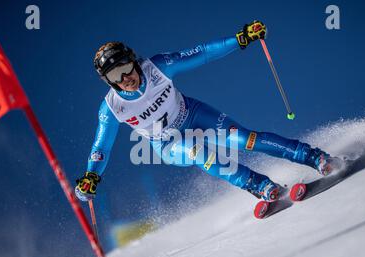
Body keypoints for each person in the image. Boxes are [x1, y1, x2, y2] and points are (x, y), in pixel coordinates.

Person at [75, 20, 341, 206]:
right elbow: (101, 147)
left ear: (133, 60)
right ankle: (260, 186)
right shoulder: (112, 108)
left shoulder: (156, 67)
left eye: (125, 67)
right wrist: (91, 176)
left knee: (246, 140)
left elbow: (202, 53)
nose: (125, 77)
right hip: (169, 144)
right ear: (108, 81)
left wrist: (241, 39)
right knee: (201, 154)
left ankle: (314, 157)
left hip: (194, 115)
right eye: (114, 75)